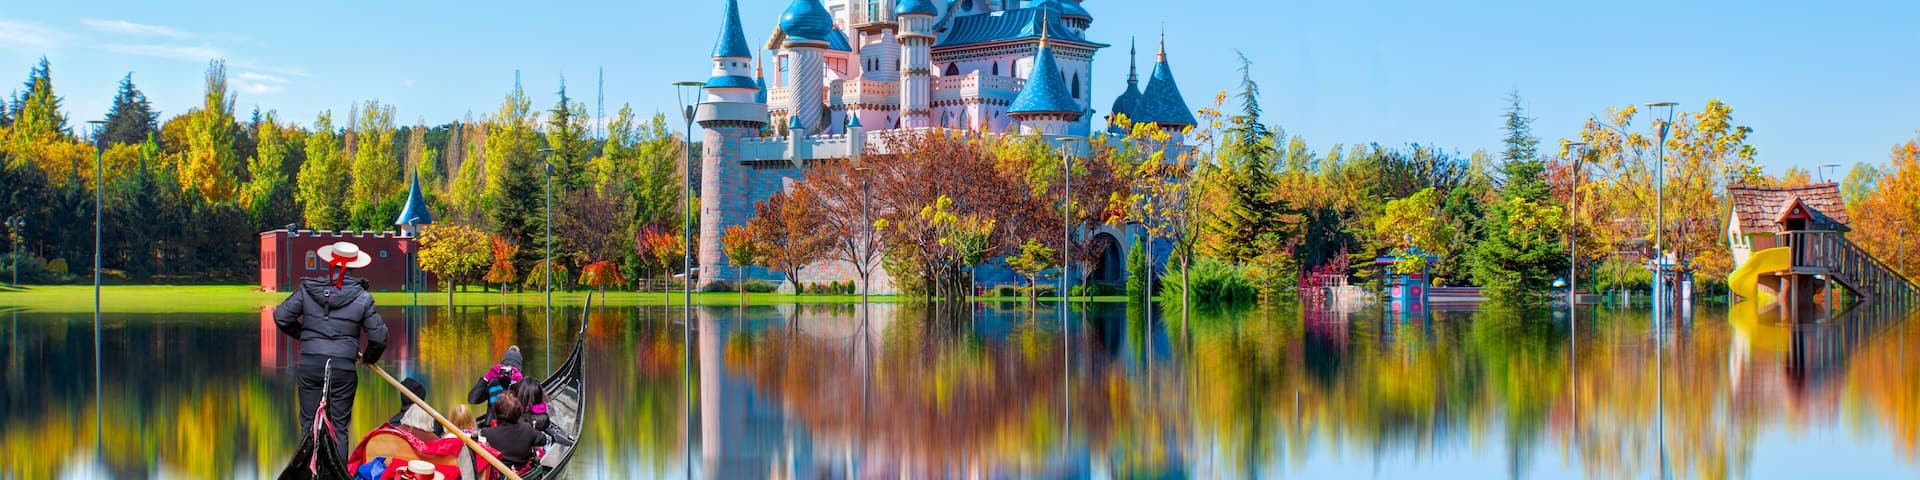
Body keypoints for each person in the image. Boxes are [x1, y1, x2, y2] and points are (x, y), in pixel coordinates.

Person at [274, 240, 388, 460]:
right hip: (343, 367)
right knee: (339, 427)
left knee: (308, 423)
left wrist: (307, 336)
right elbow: (379, 337)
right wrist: (369, 358)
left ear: (329, 262)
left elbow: (281, 317)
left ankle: (307, 473)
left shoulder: (308, 289)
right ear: (354, 266)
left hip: (311, 364)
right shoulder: (363, 297)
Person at [476, 392, 546, 469]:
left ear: (496, 412)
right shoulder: (526, 428)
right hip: (520, 470)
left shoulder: (486, 433)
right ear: (519, 412)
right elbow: (543, 440)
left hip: (498, 473)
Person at [468, 346, 525, 413]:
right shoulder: (494, 383)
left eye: (512, 370)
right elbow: (472, 399)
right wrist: (486, 378)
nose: (507, 373)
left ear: (518, 371)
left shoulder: (521, 384)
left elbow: (524, 407)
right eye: (506, 368)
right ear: (501, 368)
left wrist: (519, 384)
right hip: (493, 421)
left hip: (513, 420)